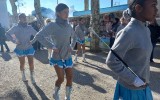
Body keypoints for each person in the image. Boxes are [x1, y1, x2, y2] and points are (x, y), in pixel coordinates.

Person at [106, 0, 157, 99]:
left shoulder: (146, 30)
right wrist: (133, 80)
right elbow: (111, 61)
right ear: (138, 8)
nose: (156, 9)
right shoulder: (129, 32)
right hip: (130, 90)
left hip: (144, 86)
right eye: (153, 5)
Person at [30, 3, 77, 100]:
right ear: (58, 13)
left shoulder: (68, 26)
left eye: (68, 12)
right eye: (65, 12)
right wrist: (51, 46)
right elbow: (39, 36)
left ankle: (67, 97)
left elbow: (74, 36)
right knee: (61, 78)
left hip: (67, 55)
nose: (67, 14)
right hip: (57, 56)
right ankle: (55, 93)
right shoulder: (52, 25)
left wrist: (71, 46)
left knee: (70, 77)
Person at [6, 13, 37, 83]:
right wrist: (14, 41)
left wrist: (32, 41)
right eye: (22, 17)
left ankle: (32, 77)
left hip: (29, 48)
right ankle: (23, 76)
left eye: (25, 17)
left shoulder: (29, 27)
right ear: (19, 18)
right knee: (22, 64)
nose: (24, 18)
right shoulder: (16, 27)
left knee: (31, 63)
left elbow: (37, 34)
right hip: (20, 48)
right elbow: (7, 34)